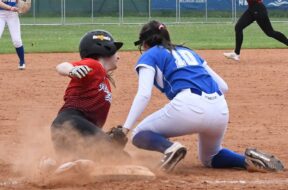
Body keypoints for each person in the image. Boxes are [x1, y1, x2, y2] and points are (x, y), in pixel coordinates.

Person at [121, 20, 284, 172]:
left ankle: (170, 148)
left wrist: (125, 129)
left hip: (189, 107)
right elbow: (223, 86)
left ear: (146, 42)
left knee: (139, 134)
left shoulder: (150, 55)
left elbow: (143, 94)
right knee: (210, 158)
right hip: (220, 109)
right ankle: (246, 161)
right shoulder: (188, 52)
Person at [50, 30, 127, 162]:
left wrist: (105, 137)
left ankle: (52, 165)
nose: (118, 56)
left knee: (88, 164)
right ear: (105, 50)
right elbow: (61, 66)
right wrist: (72, 70)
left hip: (70, 130)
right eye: (115, 51)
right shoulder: (94, 65)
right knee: (121, 158)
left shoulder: (104, 80)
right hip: (71, 124)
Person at [224, 0, 288, 61]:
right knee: (238, 27)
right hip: (252, 9)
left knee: (270, 32)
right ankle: (236, 53)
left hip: (259, 9)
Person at [0, 0, 26, 69]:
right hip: (0, 14)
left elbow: (19, 2)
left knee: (17, 40)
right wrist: (11, 8)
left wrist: (22, 5)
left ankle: (22, 61)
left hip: (12, 15)